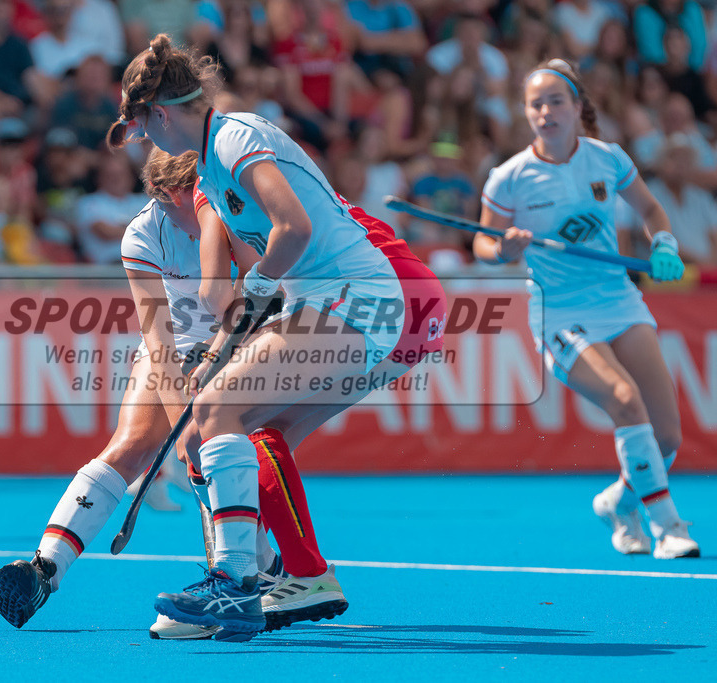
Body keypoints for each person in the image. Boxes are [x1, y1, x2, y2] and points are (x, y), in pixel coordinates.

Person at [103, 35, 444, 640]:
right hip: (332, 301)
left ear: (160, 113)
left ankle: (235, 583)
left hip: (352, 298)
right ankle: (298, 578)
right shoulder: (210, 160)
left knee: (214, 407)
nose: (146, 143)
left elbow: (295, 225)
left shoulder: (234, 137)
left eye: (143, 127)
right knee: (259, 429)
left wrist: (260, 282)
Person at [0, 147, 350, 639]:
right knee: (132, 444)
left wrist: (207, 405)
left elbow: (269, 297)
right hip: (178, 348)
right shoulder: (142, 233)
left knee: (221, 443)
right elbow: (159, 344)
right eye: (193, 196)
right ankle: (44, 569)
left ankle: (255, 569)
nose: (206, 202)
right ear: (164, 195)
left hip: (250, 341)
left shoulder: (234, 210)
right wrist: (186, 417)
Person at [476, 59, 700, 560]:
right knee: (624, 398)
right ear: (525, 112)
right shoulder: (509, 178)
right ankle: (667, 526)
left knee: (665, 435)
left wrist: (662, 243)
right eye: (536, 103)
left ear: (577, 107)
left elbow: (650, 210)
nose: (546, 111)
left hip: (619, 300)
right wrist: (505, 250)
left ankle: (619, 503)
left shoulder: (607, 159)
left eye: (557, 101)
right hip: (559, 313)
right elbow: (482, 244)